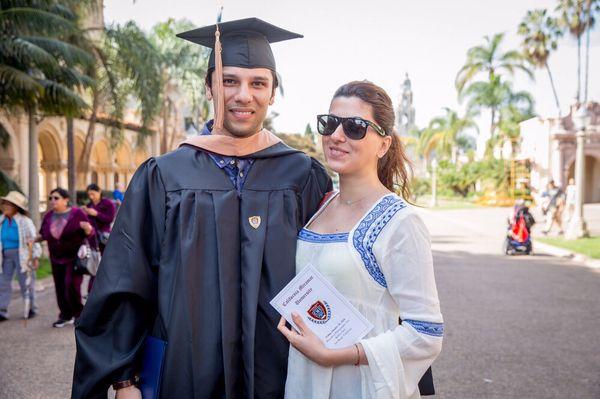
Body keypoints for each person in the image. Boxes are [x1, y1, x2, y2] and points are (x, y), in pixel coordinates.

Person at [72, 18, 332, 399]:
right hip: (186, 369)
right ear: (209, 86)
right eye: (230, 80)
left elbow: (338, 268)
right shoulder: (164, 175)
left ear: (273, 92)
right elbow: (126, 279)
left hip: (282, 371)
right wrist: (125, 380)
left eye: (258, 83)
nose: (244, 95)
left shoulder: (303, 175)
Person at [278, 81, 443, 399]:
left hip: (358, 386)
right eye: (330, 123)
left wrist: (340, 355)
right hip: (303, 382)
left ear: (384, 144)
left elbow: (426, 333)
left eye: (355, 127)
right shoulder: (319, 207)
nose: (336, 136)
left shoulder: (400, 222)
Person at [38, 188, 94, 328]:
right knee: (60, 287)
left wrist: (87, 229)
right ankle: (65, 315)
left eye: (56, 198)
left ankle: (79, 315)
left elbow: (90, 233)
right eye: (51, 198)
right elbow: (44, 234)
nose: (52, 201)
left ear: (66, 200)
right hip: (56, 257)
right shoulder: (48, 216)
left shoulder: (77, 213)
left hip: (74, 258)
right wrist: (34, 240)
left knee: (71, 285)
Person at [0, 191, 41, 321]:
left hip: (22, 255)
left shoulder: (25, 221)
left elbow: (33, 240)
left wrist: (35, 257)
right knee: (3, 283)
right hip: (4, 256)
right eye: (4, 203)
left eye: (8, 204)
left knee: (26, 282)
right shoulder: (1, 221)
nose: (4, 206)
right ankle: (2, 310)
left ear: (15, 207)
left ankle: (31, 308)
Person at [83, 183, 116, 255]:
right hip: (92, 238)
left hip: (104, 236)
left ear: (99, 191)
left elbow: (110, 219)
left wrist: (96, 214)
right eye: (89, 195)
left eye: (93, 194)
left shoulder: (108, 203)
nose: (91, 197)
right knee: (94, 260)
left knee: (105, 258)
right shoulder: (89, 205)